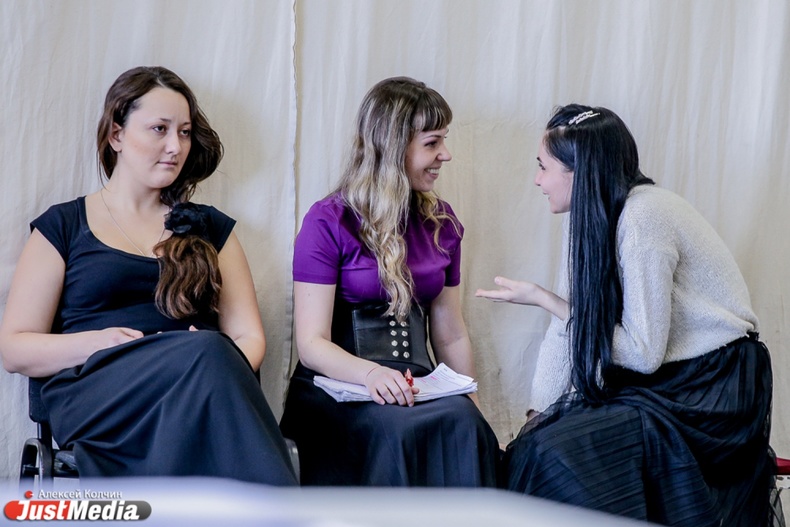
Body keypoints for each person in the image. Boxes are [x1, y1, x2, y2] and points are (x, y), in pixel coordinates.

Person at [476, 104, 782, 526]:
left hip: (712, 388)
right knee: (537, 444)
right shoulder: (588, 220)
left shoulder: (644, 217)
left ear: (580, 172)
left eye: (543, 167)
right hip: (664, 382)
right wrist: (535, 417)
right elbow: (566, 333)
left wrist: (547, 300)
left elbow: (641, 352)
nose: (537, 180)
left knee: (564, 452)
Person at [0, 66, 297, 485]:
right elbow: (14, 348)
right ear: (116, 135)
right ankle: (281, 508)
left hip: (197, 387)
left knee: (211, 354)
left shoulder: (210, 228)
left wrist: (202, 363)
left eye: (185, 133)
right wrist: (98, 342)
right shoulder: (64, 225)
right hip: (100, 393)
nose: (175, 146)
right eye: (159, 129)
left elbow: (249, 337)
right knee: (209, 354)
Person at [279, 76, 499, 486]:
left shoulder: (442, 222)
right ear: (394, 147)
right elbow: (311, 343)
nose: (445, 155)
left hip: (416, 384)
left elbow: (450, 333)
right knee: (396, 430)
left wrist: (470, 397)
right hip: (340, 388)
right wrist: (371, 375)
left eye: (443, 141)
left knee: (468, 423)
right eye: (432, 143)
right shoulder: (328, 221)